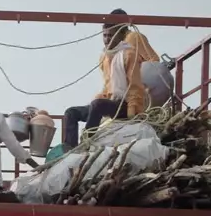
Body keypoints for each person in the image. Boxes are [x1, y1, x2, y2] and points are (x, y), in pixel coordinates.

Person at [62, 9, 161, 150]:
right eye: (105, 36)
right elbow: (108, 85)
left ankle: (86, 143)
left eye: (110, 35)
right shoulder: (105, 57)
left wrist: (133, 111)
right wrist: (97, 99)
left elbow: (134, 85)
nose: (107, 39)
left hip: (124, 104)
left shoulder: (129, 53)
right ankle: (69, 150)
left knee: (98, 105)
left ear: (120, 34)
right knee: (71, 112)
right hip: (109, 101)